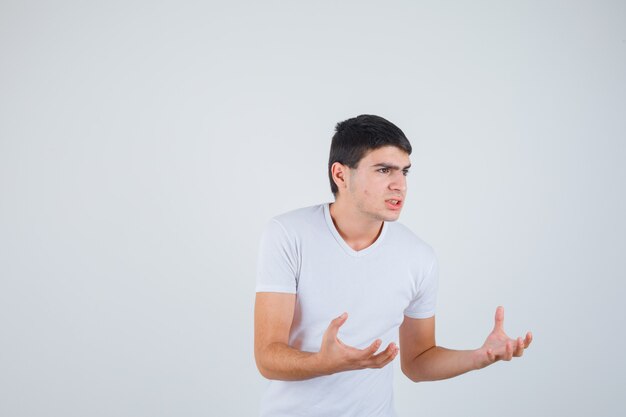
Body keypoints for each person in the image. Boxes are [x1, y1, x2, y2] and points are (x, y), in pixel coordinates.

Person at [254, 114, 532, 417]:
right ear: (341, 175)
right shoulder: (288, 234)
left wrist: (478, 357)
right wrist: (325, 363)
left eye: (405, 172)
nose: (399, 185)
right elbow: (267, 357)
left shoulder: (418, 257)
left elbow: (418, 361)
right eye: (384, 170)